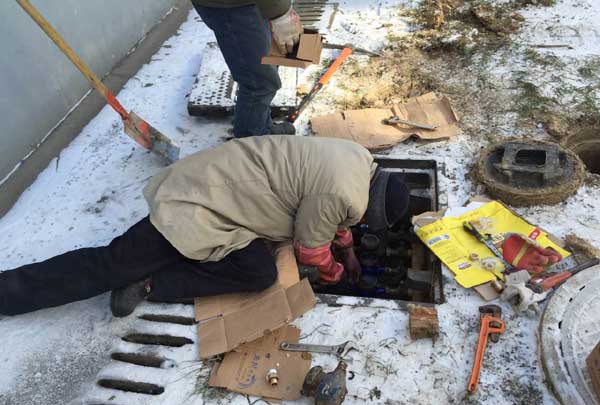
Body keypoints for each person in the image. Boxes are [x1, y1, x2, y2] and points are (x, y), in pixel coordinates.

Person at [0, 136, 410, 317]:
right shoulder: (341, 195)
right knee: (113, 264)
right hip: (205, 197)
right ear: (368, 208)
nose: (359, 222)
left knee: (258, 272)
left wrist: (349, 251)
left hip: (238, 197)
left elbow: (333, 219)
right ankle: (9, 293)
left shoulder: (357, 162)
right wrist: (335, 271)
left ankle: (150, 285)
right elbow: (311, 249)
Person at [191, 1, 302, 137]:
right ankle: (252, 140)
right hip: (235, 6)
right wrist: (279, 12)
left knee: (265, 65)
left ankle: (260, 126)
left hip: (249, 4)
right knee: (259, 83)